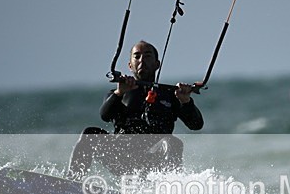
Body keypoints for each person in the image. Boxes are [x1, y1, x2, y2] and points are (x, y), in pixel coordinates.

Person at [67, 40, 204, 179]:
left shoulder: (171, 95)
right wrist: (119, 93)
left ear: (157, 64)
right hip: (122, 157)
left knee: (173, 143)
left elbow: (196, 125)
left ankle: (169, 189)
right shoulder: (120, 92)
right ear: (130, 65)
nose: (142, 60)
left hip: (153, 159)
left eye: (147, 56)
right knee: (90, 133)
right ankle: (71, 183)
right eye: (137, 56)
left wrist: (186, 101)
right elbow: (105, 116)